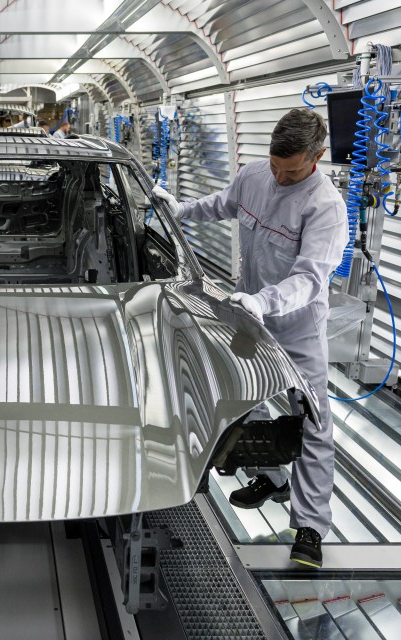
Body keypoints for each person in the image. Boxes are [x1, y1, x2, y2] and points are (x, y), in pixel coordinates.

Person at [152, 108, 347, 568]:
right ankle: (270, 476)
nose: (281, 177)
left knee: (313, 422)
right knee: (248, 398)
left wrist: (266, 302)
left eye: (292, 170)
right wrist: (179, 211)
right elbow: (221, 203)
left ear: (317, 157)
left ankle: (311, 528)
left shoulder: (326, 206)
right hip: (247, 315)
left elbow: (311, 279)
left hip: (296, 324)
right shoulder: (256, 174)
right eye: (276, 166)